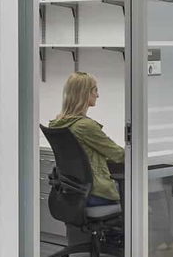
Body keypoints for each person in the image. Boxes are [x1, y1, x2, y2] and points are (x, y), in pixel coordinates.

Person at [47, 71, 123, 208]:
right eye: (95, 90)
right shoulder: (85, 126)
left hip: (75, 193)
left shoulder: (59, 123)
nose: (98, 95)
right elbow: (119, 155)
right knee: (142, 202)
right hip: (97, 193)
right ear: (84, 93)